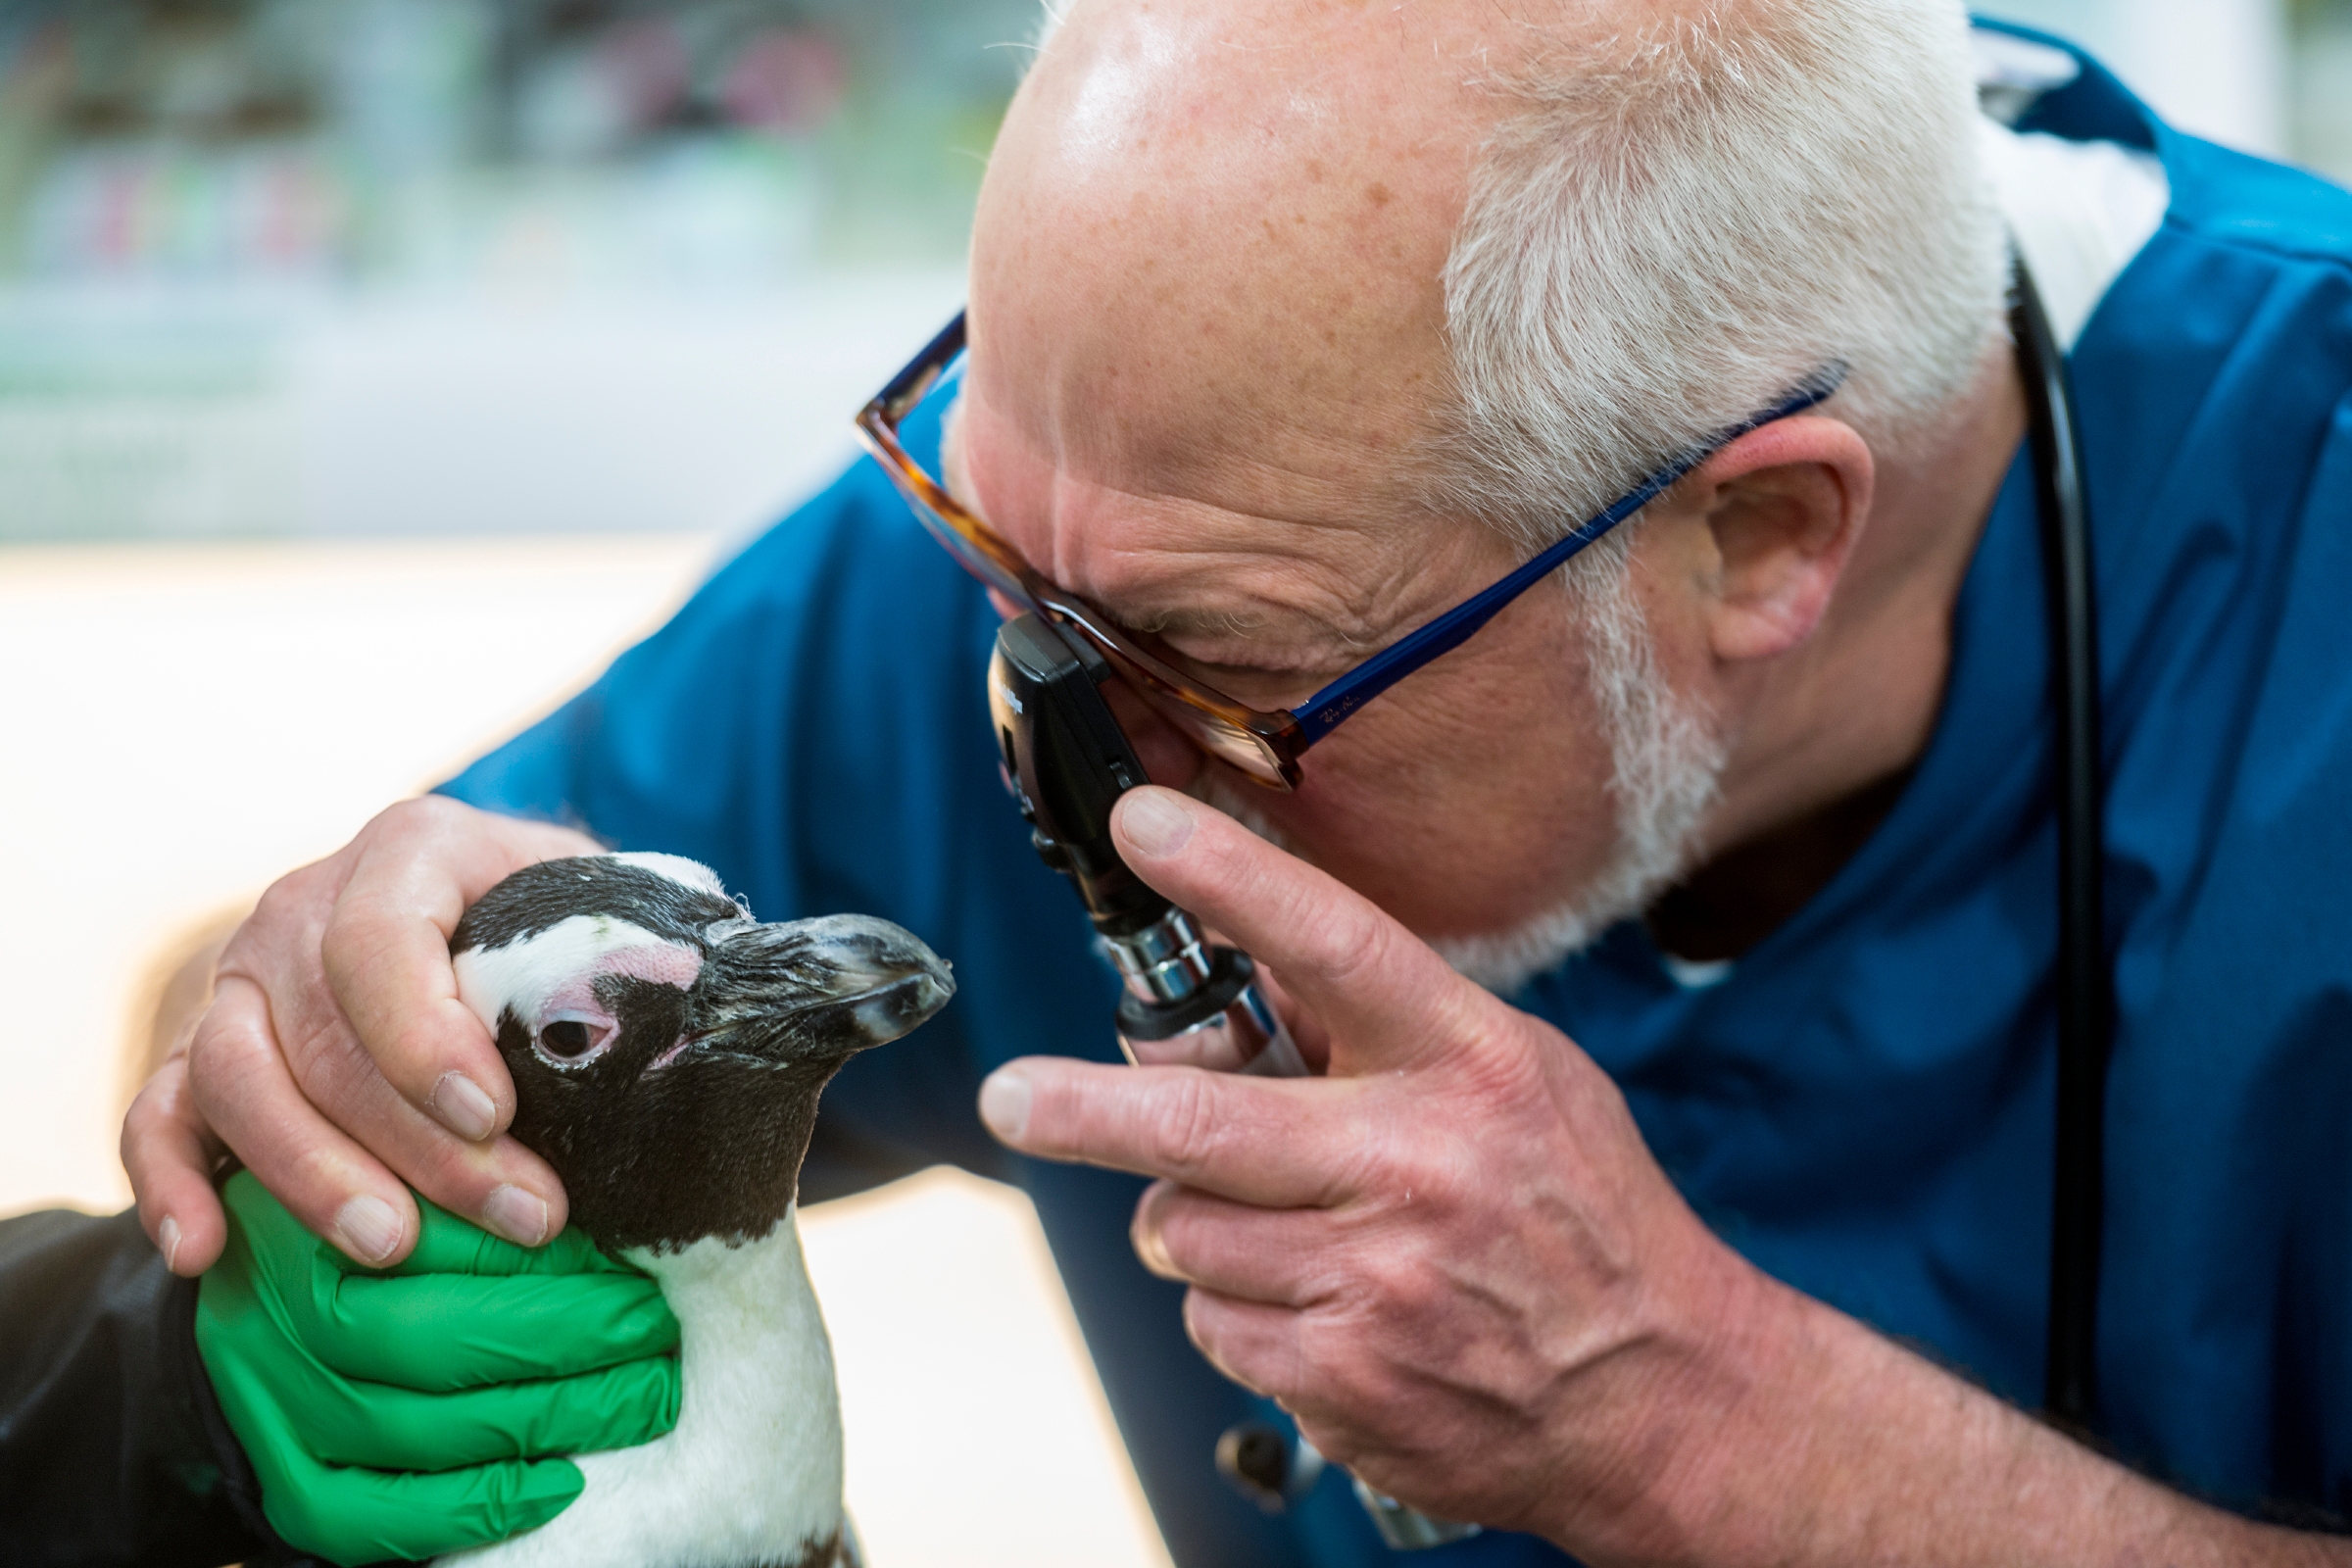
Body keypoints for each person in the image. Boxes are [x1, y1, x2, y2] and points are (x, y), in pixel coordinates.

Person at [13, 0, 2352, 1561]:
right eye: (987, 537)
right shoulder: (1110, 538)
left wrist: (1721, 1415)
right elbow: (241, 1036)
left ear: (1754, 538)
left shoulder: (2293, 607)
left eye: (1211, 667)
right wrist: (331, 1062)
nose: (1046, 710)